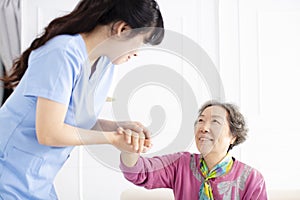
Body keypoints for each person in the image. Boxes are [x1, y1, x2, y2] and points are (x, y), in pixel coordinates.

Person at [0, 0, 164, 199]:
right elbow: (49, 133)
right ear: (121, 30)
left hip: (36, 179)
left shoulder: (105, 62)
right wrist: (112, 139)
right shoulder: (63, 52)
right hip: (8, 173)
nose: (137, 53)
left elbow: (77, 120)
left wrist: (119, 127)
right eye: (140, 43)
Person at [120, 101, 268, 200]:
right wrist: (130, 149)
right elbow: (141, 172)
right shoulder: (180, 164)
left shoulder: (251, 179)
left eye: (215, 122)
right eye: (201, 120)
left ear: (233, 136)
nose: (204, 128)